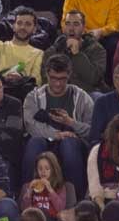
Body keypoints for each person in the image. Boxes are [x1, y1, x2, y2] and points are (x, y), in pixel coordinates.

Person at [22, 54, 94, 198]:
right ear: (47, 74)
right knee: (34, 142)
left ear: (69, 75)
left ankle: (76, 200)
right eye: (53, 78)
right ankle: (28, 197)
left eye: (62, 79)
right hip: (45, 140)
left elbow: (92, 130)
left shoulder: (81, 97)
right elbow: (30, 125)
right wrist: (56, 134)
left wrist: (71, 123)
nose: (57, 84)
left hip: (73, 142)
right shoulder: (34, 97)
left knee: (69, 145)